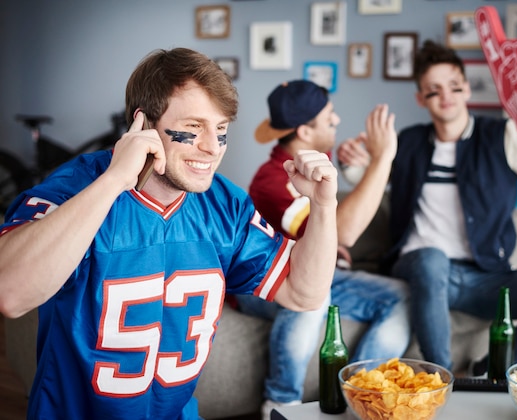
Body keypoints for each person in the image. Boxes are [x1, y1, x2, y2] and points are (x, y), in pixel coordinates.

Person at [0, 48, 340, 420]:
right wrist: (115, 180)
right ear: (144, 124)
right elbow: (10, 293)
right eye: (193, 129)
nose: (212, 147)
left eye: (221, 129)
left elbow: (305, 293)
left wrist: (324, 207)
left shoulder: (225, 204)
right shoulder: (76, 187)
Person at [385, 40, 517, 375]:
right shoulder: (407, 141)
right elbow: (366, 173)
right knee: (431, 257)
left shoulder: (503, 137)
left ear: (467, 88)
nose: (447, 96)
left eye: (455, 86)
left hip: (485, 276)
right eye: (434, 90)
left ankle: (488, 372)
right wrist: (354, 162)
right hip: (421, 268)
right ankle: (440, 380)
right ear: (420, 98)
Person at [235, 79, 411, 418]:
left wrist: (350, 163)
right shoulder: (271, 182)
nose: (337, 121)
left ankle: (363, 393)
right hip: (264, 284)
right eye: (329, 117)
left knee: (403, 294)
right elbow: (342, 233)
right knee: (314, 297)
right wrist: (382, 158)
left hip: (318, 272)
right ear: (303, 130)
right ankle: (280, 403)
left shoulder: (313, 159)